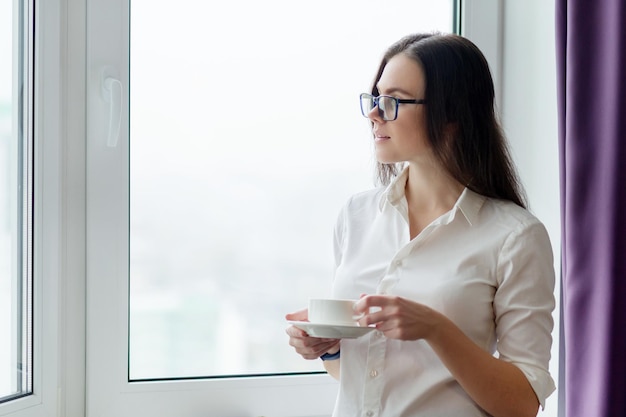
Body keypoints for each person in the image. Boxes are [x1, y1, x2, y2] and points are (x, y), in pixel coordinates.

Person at [285, 32, 556, 417]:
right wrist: (327, 347)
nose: (375, 114)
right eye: (375, 98)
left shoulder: (516, 237)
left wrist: (435, 328)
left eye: (393, 100)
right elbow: (368, 375)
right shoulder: (356, 216)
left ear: (451, 115)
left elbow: (521, 405)